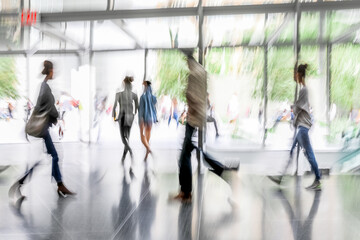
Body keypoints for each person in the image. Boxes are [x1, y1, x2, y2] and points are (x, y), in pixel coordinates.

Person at [172, 50, 239, 203]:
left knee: (186, 155)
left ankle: (187, 192)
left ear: (189, 60)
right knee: (194, 152)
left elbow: (193, 96)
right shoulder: (202, 72)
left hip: (194, 117)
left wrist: (188, 102)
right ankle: (188, 191)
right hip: (199, 116)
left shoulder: (194, 74)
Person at [9, 60, 76, 200]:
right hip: (41, 129)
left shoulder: (43, 86)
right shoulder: (45, 88)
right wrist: (57, 116)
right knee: (45, 158)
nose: (54, 73)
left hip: (42, 129)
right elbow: (48, 108)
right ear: (50, 71)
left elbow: (44, 107)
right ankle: (19, 183)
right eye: (53, 70)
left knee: (53, 156)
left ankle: (59, 185)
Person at [269, 63, 321, 191]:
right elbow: (298, 108)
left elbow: (298, 108)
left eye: (295, 73)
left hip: (303, 127)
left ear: (299, 74)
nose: (294, 76)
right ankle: (280, 177)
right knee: (292, 151)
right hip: (301, 127)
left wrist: (293, 107)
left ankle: (318, 179)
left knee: (309, 154)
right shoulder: (303, 89)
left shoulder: (304, 90)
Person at [113, 76, 138, 167]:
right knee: (127, 137)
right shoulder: (134, 95)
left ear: (124, 84)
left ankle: (130, 152)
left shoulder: (119, 94)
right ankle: (124, 157)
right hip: (130, 116)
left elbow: (114, 106)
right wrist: (133, 114)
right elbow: (136, 108)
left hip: (122, 116)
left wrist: (114, 117)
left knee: (123, 138)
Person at [138, 79, 157, 162]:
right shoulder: (153, 97)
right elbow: (154, 105)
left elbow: (141, 110)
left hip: (144, 119)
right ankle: (147, 153)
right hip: (151, 119)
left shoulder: (142, 97)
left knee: (142, 136)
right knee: (148, 135)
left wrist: (140, 119)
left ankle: (149, 149)